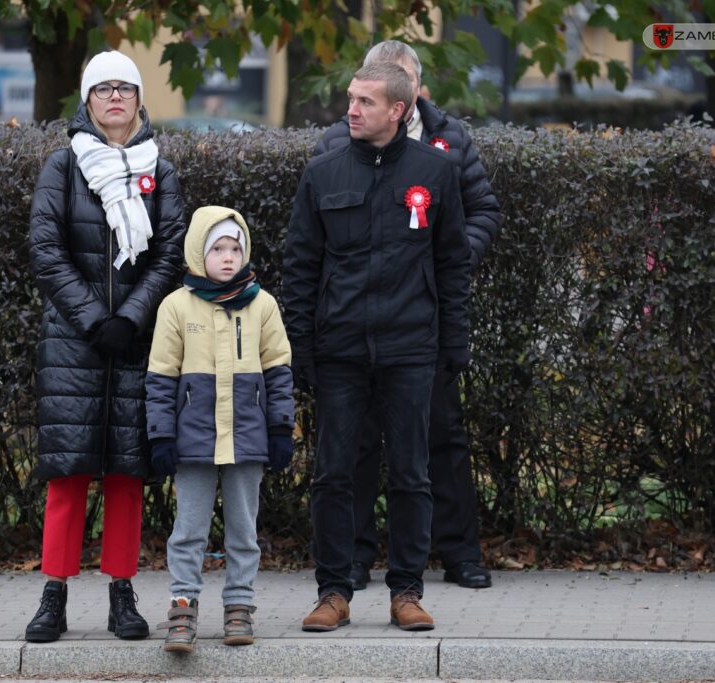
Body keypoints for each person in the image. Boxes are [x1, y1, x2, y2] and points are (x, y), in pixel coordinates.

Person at [283, 61, 472, 632]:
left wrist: (453, 344)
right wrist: (302, 347)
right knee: (333, 474)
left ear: (399, 109)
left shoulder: (436, 172)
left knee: (412, 474)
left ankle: (406, 592)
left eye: (366, 101)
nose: (352, 109)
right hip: (340, 350)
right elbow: (300, 266)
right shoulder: (322, 172)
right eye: (350, 98)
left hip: (411, 349)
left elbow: (452, 264)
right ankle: (333, 592)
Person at [313, 40, 501, 592]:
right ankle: (353, 558)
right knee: (356, 446)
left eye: (396, 81)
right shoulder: (334, 142)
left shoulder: (450, 139)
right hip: (356, 327)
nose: (375, 95)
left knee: (440, 439)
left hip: (424, 320)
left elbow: (482, 208)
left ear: (411, 91)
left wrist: (447, 258)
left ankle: (460, 553)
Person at [24, 50, 186, 643]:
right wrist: (96, 319)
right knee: (67, 475)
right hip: (74, 342)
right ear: (87, 102)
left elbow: (171, 251)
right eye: (103, 89)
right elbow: (46, 251)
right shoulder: (61, 166)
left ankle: (122, 591)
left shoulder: (160, 171)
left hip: (136, 343)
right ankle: (54, 594)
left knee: (125, 473)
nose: (115, 97)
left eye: (126, 88)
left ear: (140, 101)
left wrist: (132, 317)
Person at [145, 206, 294, 653]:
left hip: (248, 439)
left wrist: (281, 428)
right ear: (198, 253)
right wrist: (161, 435)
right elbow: (161, 375)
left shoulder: (262, 304)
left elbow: (279, 369)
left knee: (242, 530)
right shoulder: (176, 306)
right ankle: (183, 606)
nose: (228, 257)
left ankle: (239, 607)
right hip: (193, 442)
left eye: (236, 248)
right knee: (188, 529)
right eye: (218, 249)